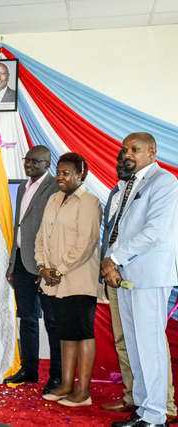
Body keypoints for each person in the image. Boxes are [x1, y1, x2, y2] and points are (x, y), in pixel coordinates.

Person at [104, 133, 178, 427]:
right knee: (135, 346)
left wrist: (113, 259)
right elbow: (117, 230)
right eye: (125, 149)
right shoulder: (127, 184)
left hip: (150, 274)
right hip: (125, 276)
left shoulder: (164, 182)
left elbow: (153, 233)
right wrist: (111, 262)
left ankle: (157, 416)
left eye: (134, 149)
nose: (127, 154)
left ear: (152, 152)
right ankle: (144, 409)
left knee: (150, 346)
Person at [35, 152, 103, 407]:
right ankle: (65, 384)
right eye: (58, 173)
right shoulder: (54, 198)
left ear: (80, 175)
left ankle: (83, 391)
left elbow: (86, 243)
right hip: (54, 280)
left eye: (66, 173)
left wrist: (59, 270)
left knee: (82, 332)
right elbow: (41, 236)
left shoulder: (89, 202)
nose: (60, 177)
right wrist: (43, 267)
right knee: (65, 333)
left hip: (79, 280)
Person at [4, 145, 62, 395]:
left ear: (47, 164)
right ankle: (29, 370)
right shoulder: (21, 187)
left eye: (34, 161)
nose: (28, 164)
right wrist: (11, 263)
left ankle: (57, 377)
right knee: (27, 319)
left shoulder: (56, 187)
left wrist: (48, 265)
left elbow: (57, 229)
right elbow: (18, 226)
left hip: (44, 265)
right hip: (20, 262)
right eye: (26, 160)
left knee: (52, 321)